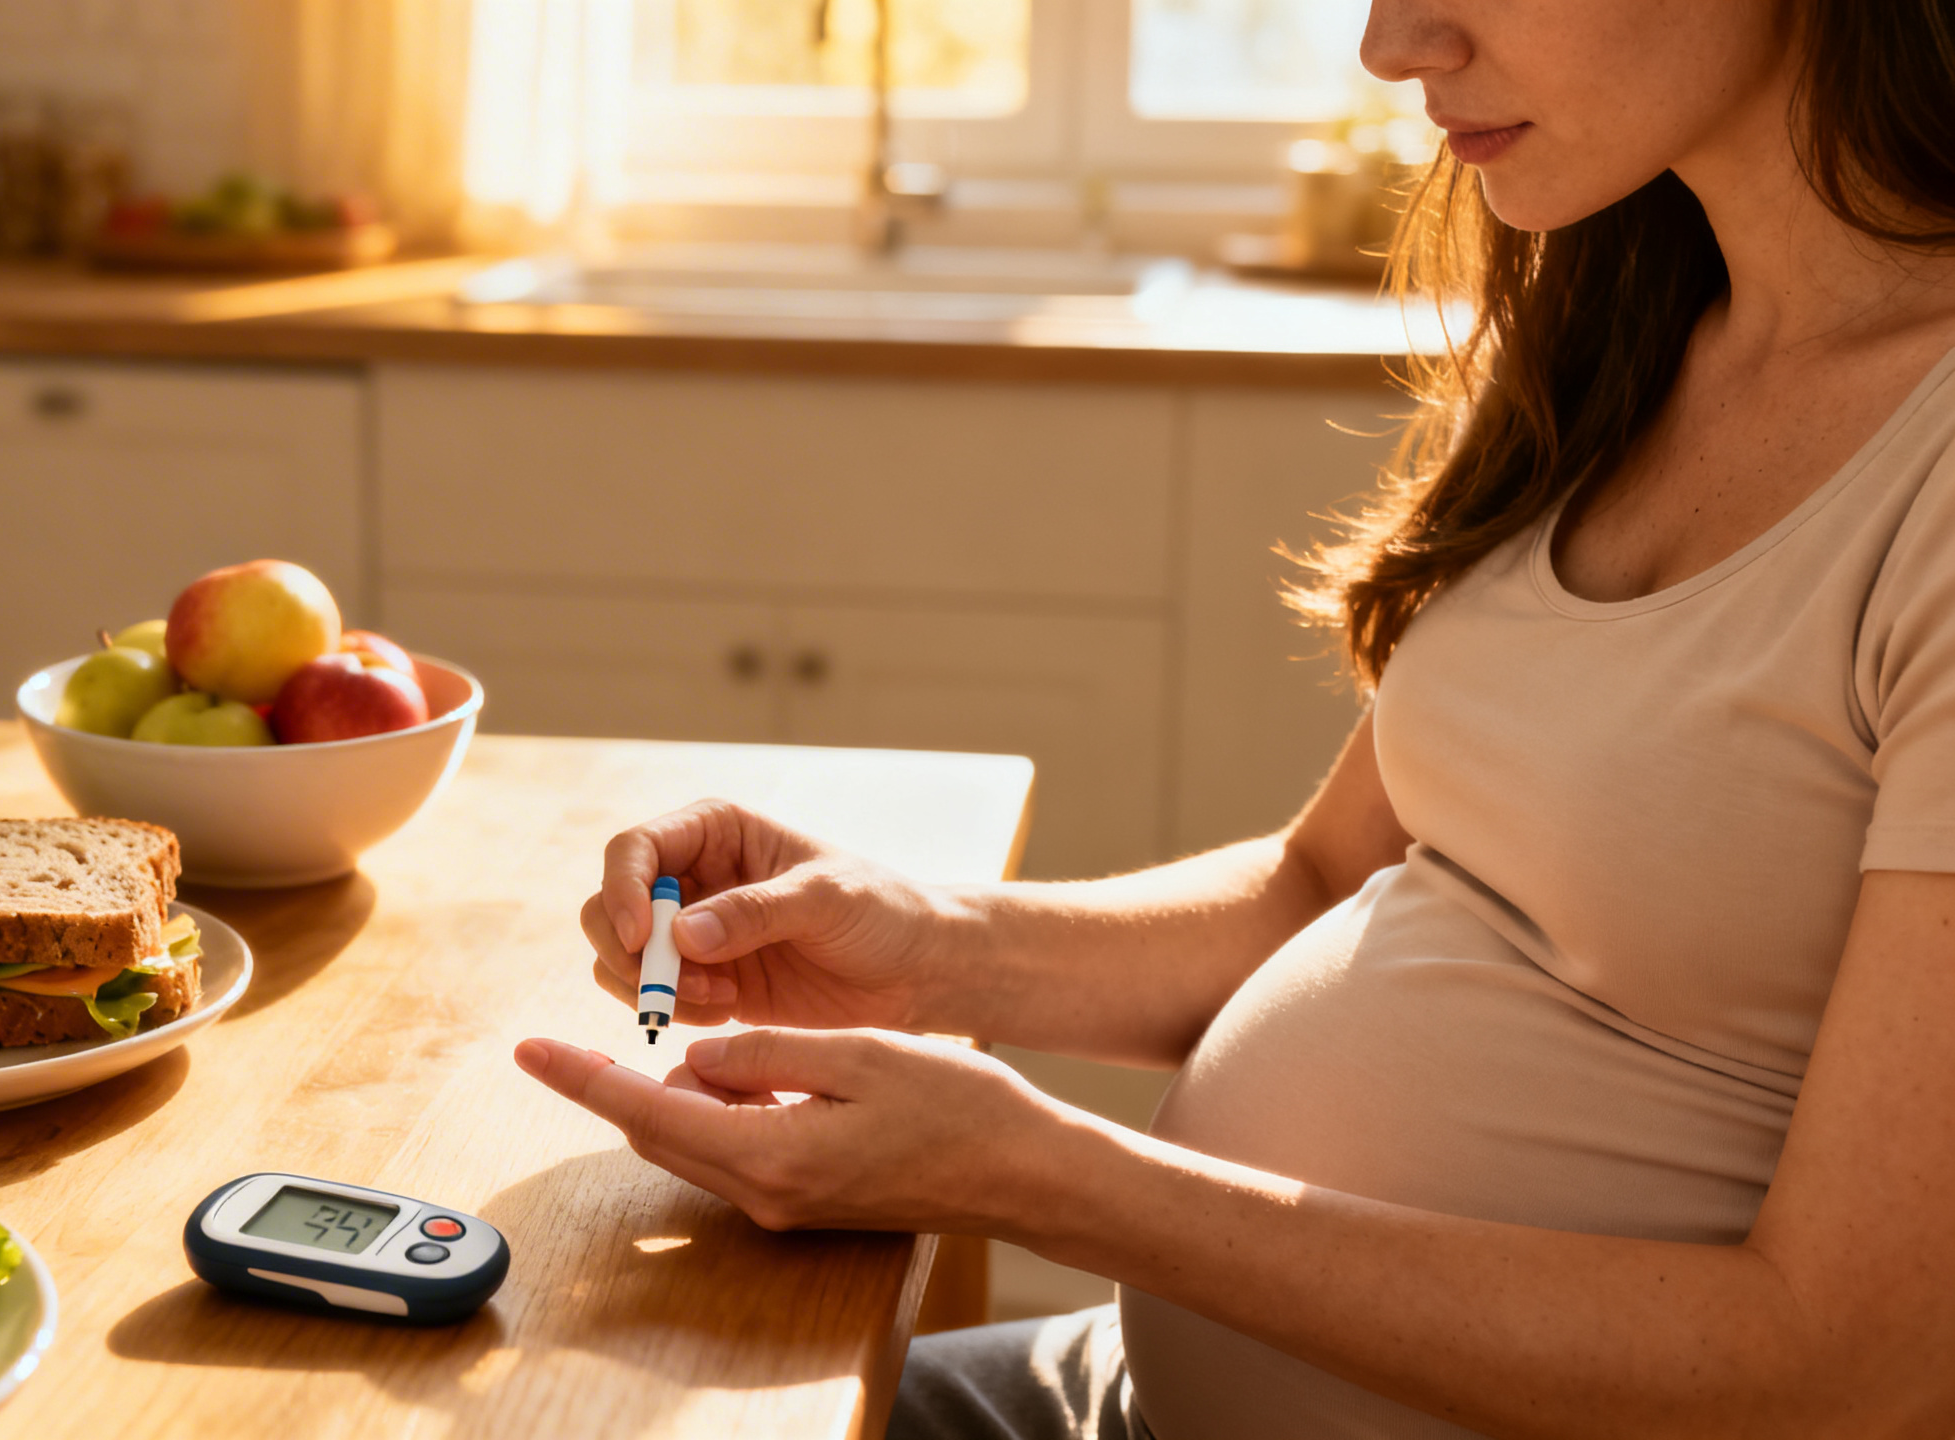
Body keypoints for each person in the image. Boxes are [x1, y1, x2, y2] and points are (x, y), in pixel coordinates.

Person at [512, 0, 1955, 1435]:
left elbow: (1834, 1368)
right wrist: (923, 951)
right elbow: (1325, 883)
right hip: (1125, 1402)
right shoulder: (1627, 320)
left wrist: (1046, 1181)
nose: (1392, 46)